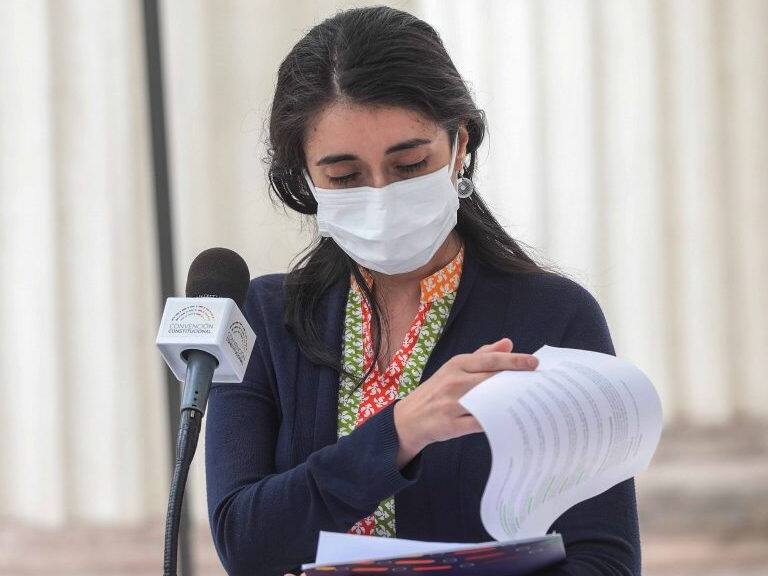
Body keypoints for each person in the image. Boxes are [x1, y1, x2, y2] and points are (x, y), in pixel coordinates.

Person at [204, 6, 641, 576]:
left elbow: (606, 560)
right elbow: (245, 543)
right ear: (308, 181)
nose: (381, 194)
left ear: (458, 146)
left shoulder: (554, 318)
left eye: (409, 165)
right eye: (345, 177)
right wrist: (400, 432)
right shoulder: (263, 319)